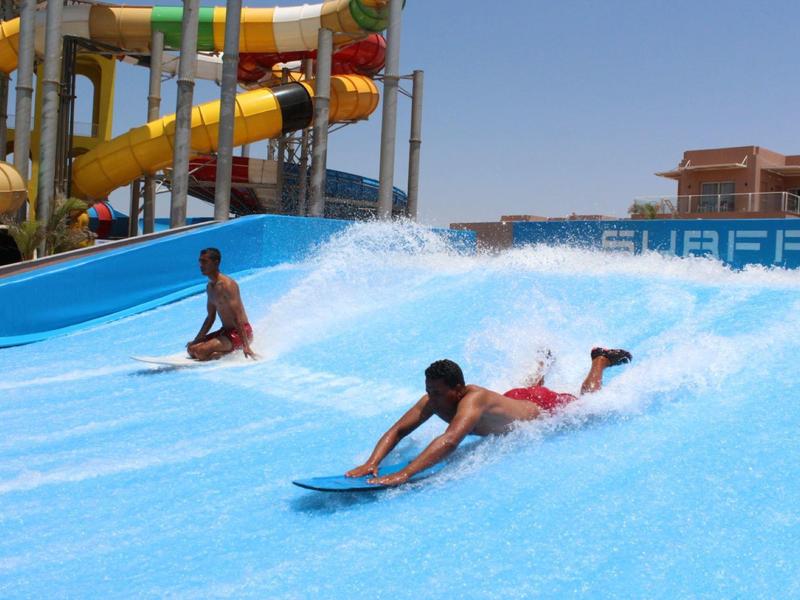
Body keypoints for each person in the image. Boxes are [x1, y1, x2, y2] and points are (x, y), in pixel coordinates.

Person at [345, 347, 632, 486]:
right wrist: (372, 463)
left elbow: (450, 440)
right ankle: (543, 360)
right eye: (428, 390)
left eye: (436, 392)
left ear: (458, 390)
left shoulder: (474, 401)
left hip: (543, 408)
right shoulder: (433, 400)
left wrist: (404, 473)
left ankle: (600, 360)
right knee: (523, 392)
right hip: (514, 398)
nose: (430, 397)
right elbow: (398, 430)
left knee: (589, 405)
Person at [187, 247, 256, 361]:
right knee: (191, 349)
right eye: (200, 261)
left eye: (204, 261)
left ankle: (229, 352)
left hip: (240, 333)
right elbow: (210, 318)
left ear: (216, 262)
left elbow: (237, 317)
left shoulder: (228, 285)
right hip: (225, 332)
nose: (201, 265)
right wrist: (197, 339)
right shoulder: (210, 287)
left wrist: (246, 346)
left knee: (200, 352)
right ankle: (221, 349)